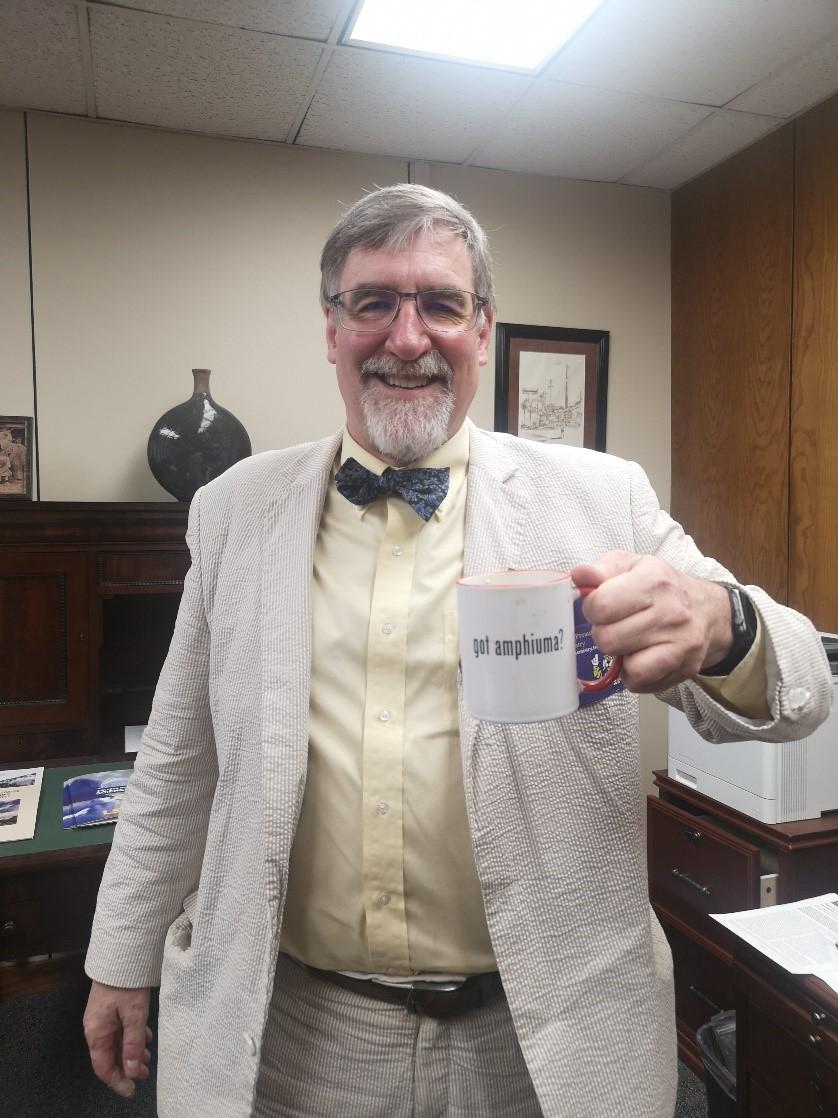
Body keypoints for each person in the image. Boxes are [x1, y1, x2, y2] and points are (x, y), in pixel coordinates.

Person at [83, 184, 831, 1118]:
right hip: (294, 1034)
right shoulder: (235, 509)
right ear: (330, 327)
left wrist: (723, 622)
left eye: (440, 303)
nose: (407, 338)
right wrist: (118, 957)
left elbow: (801, 694)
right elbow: (178, 760)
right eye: (373, 303)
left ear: (482, 328)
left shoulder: (600, 501)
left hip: (545, 1037)